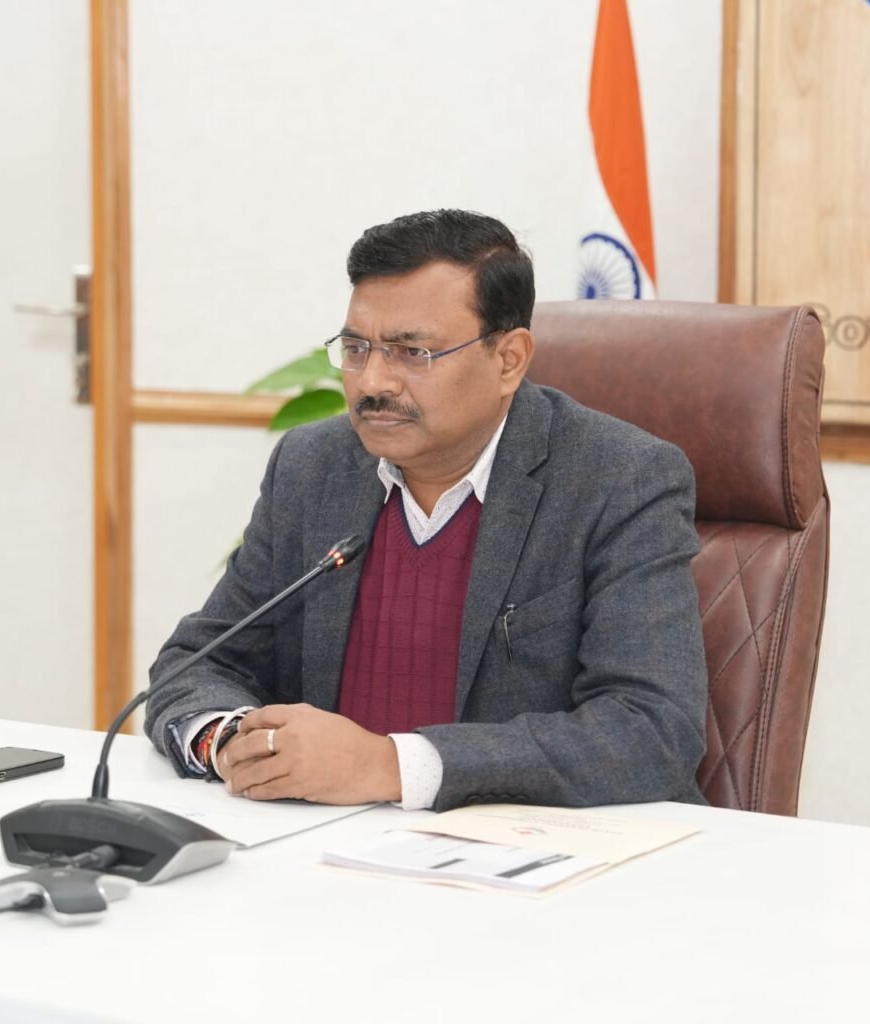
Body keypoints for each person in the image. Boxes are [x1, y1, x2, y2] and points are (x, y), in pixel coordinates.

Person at [144, 209, 708, 812]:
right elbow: (197, 662)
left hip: (532, 844)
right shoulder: (313, 468)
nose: (372, 382)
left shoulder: (618, 479)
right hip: (328, 839)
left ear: (509, 360)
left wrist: (392, 767)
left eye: (412, 352)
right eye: (356, 348)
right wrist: (231, 740)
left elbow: (651, 727)